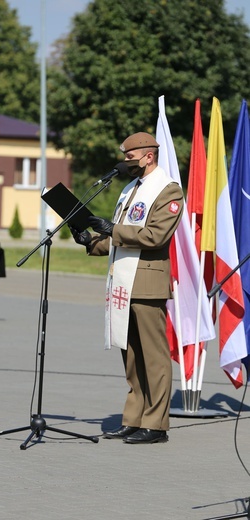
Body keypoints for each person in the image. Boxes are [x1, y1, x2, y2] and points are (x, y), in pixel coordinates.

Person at [70, 132, 184, 444]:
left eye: (131, 158)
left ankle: (156, 425)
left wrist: (114, 229)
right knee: (131, 355)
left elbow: (155, 236)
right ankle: (134, 418)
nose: (126, 163)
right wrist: (92, 241)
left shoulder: (168, 190)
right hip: (123, 281)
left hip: (147, 283)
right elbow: (119, 239)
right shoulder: (130, 189)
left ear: (149, 156)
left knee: (154, 357)